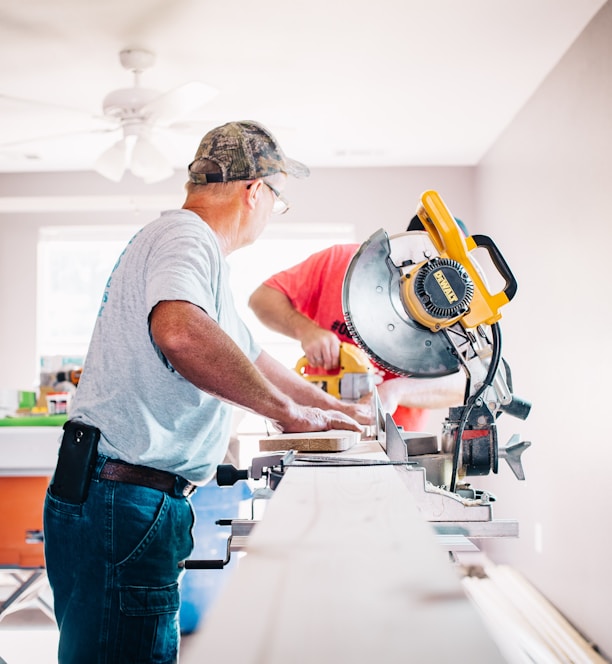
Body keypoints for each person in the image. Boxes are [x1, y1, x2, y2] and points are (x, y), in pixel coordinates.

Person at [43, 120, 370, 664]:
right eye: (277, 200)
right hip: (123, 501)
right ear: (255, 191)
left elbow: (252, 355)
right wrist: (290, 415)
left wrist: (331, 408)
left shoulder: (192, 253)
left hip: (116, 496)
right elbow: (178, 332)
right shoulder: (186, 236)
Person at [248, 223, 467, 432]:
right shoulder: (340, 262)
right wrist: (305, 330)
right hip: (320, 423)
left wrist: (395, 391)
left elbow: (464, 384)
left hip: (394, 439)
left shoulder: (456, 312)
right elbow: (262, 298)